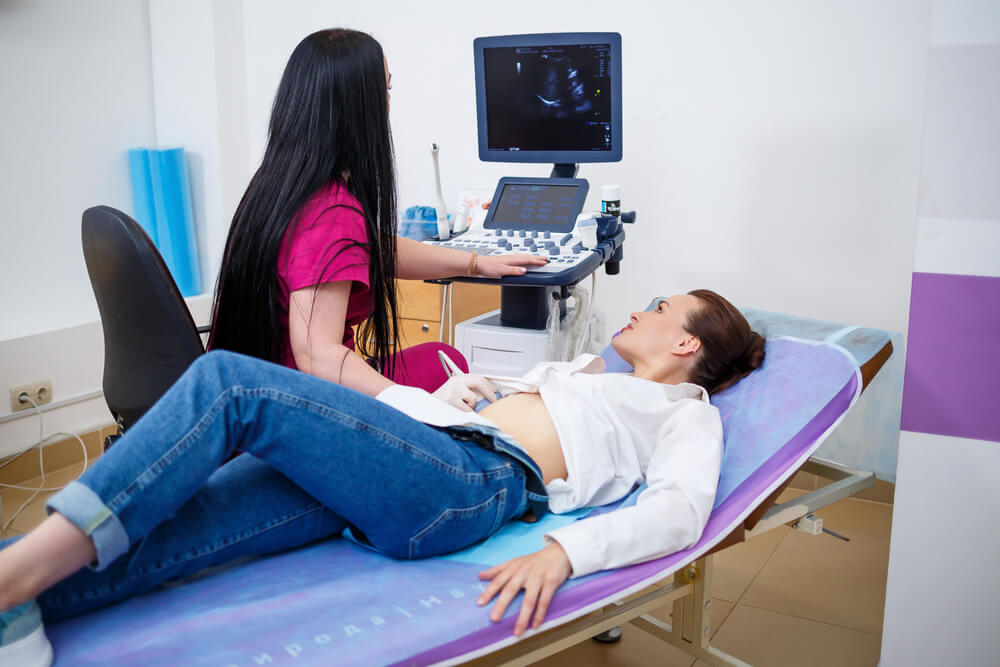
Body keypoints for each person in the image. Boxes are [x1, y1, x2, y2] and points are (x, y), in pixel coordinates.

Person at [0, 290, 764, 663]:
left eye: (661, 307)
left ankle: (12, 572)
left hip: (470, 481)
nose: (642, 307)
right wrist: (468, 396)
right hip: (433, 452)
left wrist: (568, 553)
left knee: (230, 384)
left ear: (689, 344)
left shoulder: (684, 411)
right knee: (195, 519)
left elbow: (679, 512)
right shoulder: (590, 370)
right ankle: (24, 603)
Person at [206, 28, 545, 397]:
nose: (388, 101)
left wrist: (475, 262)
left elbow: (368, 247)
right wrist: (414, 404)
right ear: (359, 106)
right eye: (385, 89)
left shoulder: (279, 186)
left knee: (439, 357)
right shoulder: (330, 212)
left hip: (255, 393)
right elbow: (317, 357)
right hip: (303, 406)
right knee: (450, 369)